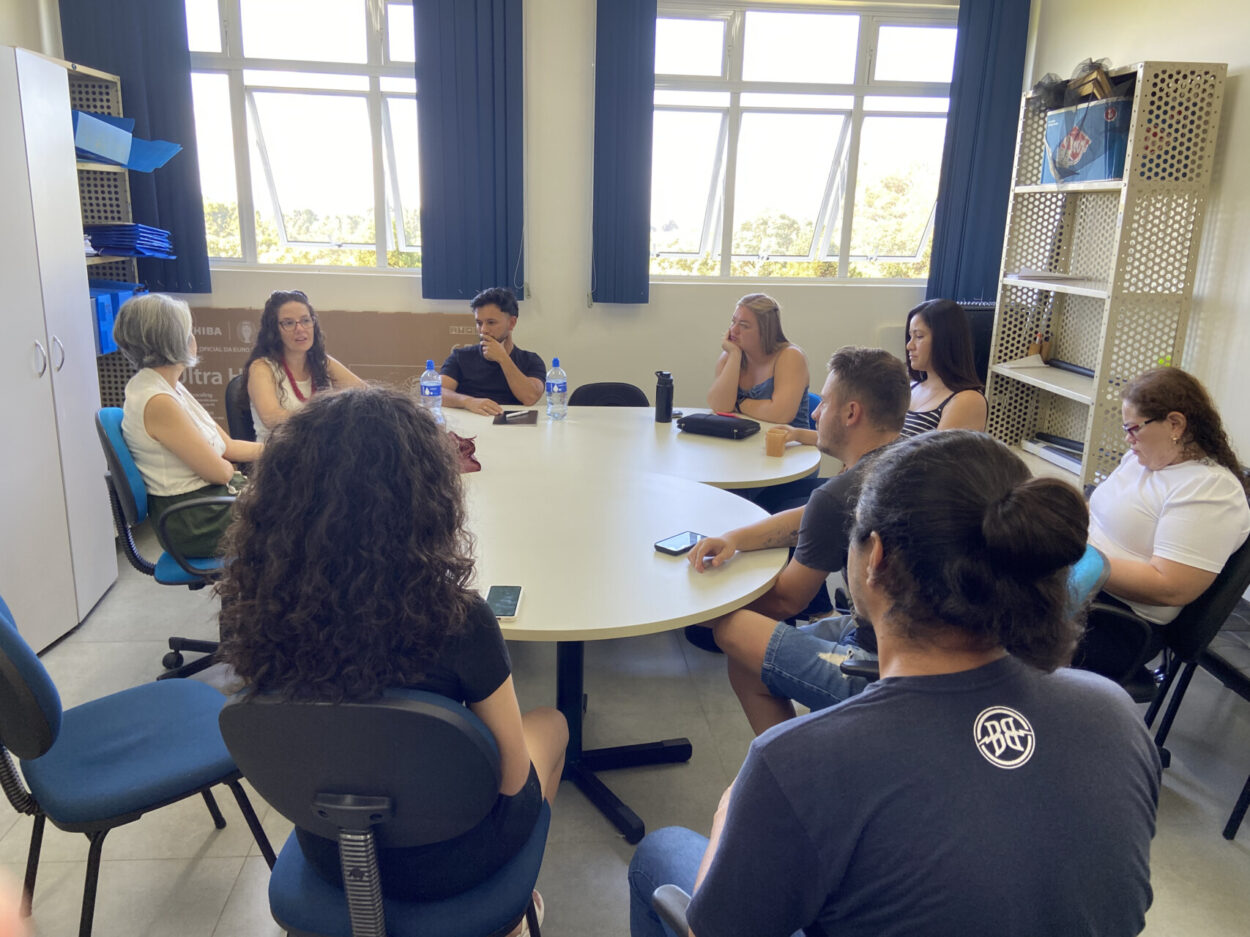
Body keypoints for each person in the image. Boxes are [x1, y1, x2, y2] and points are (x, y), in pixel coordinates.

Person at [629, 431, 1161, 937]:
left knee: (661, 852)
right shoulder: (1112, 712)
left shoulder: (794, 763)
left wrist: (730, 816)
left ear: (876, 558)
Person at [216, 387, 567, 912]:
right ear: (427, 498)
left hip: (331, 851)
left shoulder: (253, 606)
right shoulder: (459, 618)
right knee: (552, 725)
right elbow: (512, 780)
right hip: (457, 861)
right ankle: (512, 913)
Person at [688, 347, 909, 733]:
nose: (817, 413)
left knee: (733, 633)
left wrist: (695, 608)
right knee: (748, 655)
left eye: (825, 402)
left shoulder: (841, 493)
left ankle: (791, 762)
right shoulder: (907, 458)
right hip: (924, 645)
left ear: (851, 413)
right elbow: (815, 515)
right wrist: (735, 538)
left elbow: (785, 601)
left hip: (882, 664)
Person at [1081, 367, 1250, 671]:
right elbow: (1098, 513)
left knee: (1000, 616)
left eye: (1134, 428)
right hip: (1083, 589)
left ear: (1175, 424)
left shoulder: (1211, 490)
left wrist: (1077, 555)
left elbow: (1171, 586)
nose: (1128, 439)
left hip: (1118, 622)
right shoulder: (1139, 461)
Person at [114, 294, 262, 558]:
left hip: (207, 504)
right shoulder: (159, 402)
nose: (193, 337)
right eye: (188, 331)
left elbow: (227, 446)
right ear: (175, 341)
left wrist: (285, 447)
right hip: (196, 520)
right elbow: (220, 473)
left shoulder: (166, 386)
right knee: (306, 513)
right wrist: (228, 467)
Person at [242, 289, 364, 442]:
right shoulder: (261, 367)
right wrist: (324, 416)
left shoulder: (322, 361)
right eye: (289, 323)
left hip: (320, 449)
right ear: (274, 330)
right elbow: (271, 418)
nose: (300, 329)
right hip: (278, 451)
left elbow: (364, 395)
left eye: (306, 320)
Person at [706, 294, 810, 428]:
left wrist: (738, 404)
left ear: (765, 331)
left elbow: (780, 415)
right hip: (745, 438)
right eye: (733, 322)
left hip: (787, 440)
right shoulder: (731, 353)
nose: (733, 330)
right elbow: (719, 406)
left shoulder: (790, 356)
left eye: (744, 325)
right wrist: (735, 356)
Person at [441, 287, 546, 415]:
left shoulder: (531, 360)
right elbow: (437, 392)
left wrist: (503, 358)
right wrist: (468, 402)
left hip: (513, 424)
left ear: (512, 323)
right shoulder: (460, 356)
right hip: (471, 422)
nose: (483, 330)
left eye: (491, 322)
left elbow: (530, 398)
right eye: (479, 323)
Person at [901, 298, 986, 436]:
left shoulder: (967, 400)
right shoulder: (911, 387)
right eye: (910, 337)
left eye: (919, 336)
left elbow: (939, 450)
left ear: (945, 341)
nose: (909, 346)